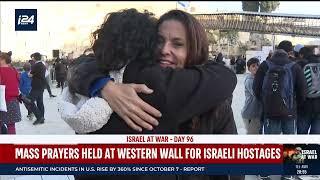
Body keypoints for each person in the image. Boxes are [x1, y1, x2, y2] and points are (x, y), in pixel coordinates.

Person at [60, 9, 240, 180]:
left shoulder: (213, 99)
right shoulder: (135, 81)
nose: (164, 50)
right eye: (159, 41)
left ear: (194, 50)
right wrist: (103, 85)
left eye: (177, 44)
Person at [253, 40, 306, 135]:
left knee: (273, 145)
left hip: (270, 111)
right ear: (289, 52)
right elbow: (302, 91)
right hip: (289, 112)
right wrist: (294, 105)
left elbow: (256, 89)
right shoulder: (295, 67)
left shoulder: (265, 65)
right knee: (289, 147)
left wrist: (265, 101)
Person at [296, 48, 320, 134]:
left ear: (302, 55)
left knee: (301, 135)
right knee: (316, 137)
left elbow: (298, 87)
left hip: (304, 106)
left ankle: (301, 147)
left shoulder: (300, 65)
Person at [0, 52, 21, 134]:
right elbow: (17, 83)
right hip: (13, 101)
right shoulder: (14, 70)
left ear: (3, 60)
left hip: (2, 101)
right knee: (11, 125)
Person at [241, 58, 262, 134]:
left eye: (258, 65)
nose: (256, 67)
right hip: (251, 114)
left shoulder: (257, 78)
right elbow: (258, 94)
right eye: (253, 66)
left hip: (256, 114)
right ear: (249, 69)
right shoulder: (250, 80)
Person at [28, 52, 47, 125]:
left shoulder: (36, 65)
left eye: (32, 57)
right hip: (41, 85)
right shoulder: (42, 65)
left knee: (29, 101)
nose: (32, 59)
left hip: (36, 86)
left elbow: (30, 74)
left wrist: (31, 74)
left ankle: (39, 117)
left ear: (35, 58)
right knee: (40, 102)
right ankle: (42, 118)